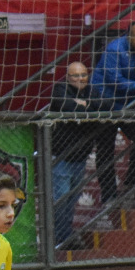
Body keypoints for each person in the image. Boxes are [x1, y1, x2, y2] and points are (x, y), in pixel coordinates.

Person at [91, 20, 135, 207]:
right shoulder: (115, 49)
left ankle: (132, 178)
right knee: (106, 148)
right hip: (105, 102)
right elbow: (116, 81)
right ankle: (109, 196)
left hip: (127, 105)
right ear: (128, 36)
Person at [47, 62, 100, 250]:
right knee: (61, 199)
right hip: (61, 156)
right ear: (68, 77)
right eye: (76, 76)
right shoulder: (60, 89)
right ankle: (58, 239)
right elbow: (66, 106)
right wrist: (86, 107)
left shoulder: (92, 90)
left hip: (80, 156)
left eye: (84, 75)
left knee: (71, 200)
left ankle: (65, 237)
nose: (80, 79)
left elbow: (101, 106)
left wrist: (82, 106)